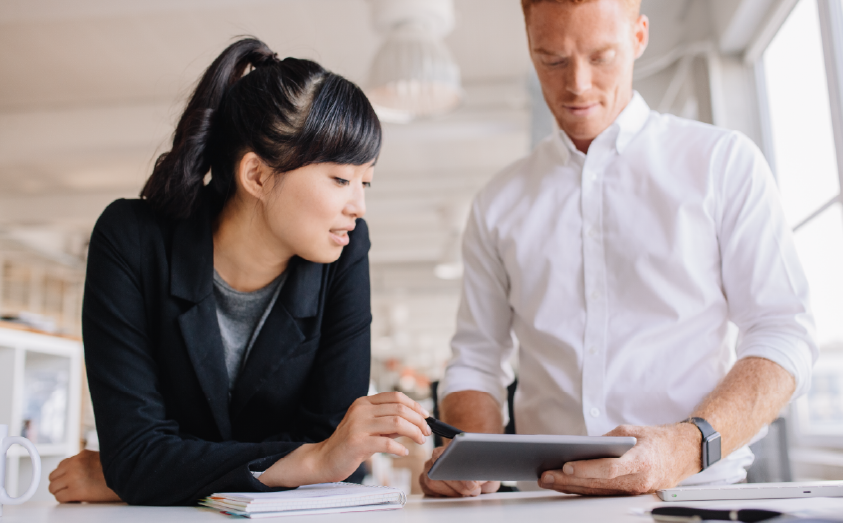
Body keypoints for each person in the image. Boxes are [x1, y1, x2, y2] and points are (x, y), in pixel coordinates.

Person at [420, 0, 817, 497]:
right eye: (553, 60)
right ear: (530, 46)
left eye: (601, 56)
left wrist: (685, 447)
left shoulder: (722, 163)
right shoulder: (498, 202)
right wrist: (470, 454)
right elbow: (477, 359)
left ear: (639, 37)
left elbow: (782, 331)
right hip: (543, 503)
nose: (578, 84)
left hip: (694, 492)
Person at [47, 37, 432, 506]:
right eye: (340, 179)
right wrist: (309, 462)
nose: (359, 206)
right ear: (256, 175)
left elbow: (339, 459)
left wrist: (155, 475)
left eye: (365, 181)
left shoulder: (345, 250)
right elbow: (137, 456)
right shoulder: (131, 240)